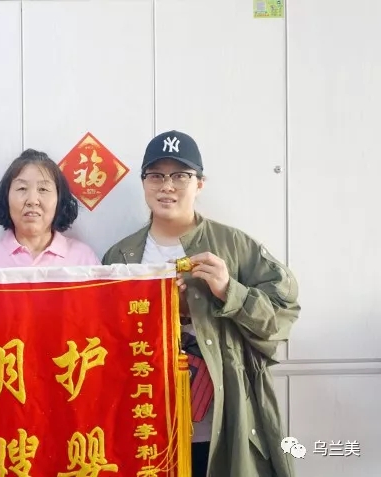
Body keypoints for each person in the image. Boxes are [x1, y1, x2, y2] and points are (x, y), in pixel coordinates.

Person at [101, 131, 300, 477]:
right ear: (144, 183)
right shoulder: (121, 255)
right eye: (156, 175)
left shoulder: (233, 245)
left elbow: (282, 315)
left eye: (180, 175)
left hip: (221, 421)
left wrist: (229, 291)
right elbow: (104, 337)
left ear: (200, 184)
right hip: (144, 420)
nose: (167, 186)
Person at [0, 148, 101, 268]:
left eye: (43, 189)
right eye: (22, 188)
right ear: (6, 198)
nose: (32, 201)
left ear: (59, 199)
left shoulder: (84, 260)